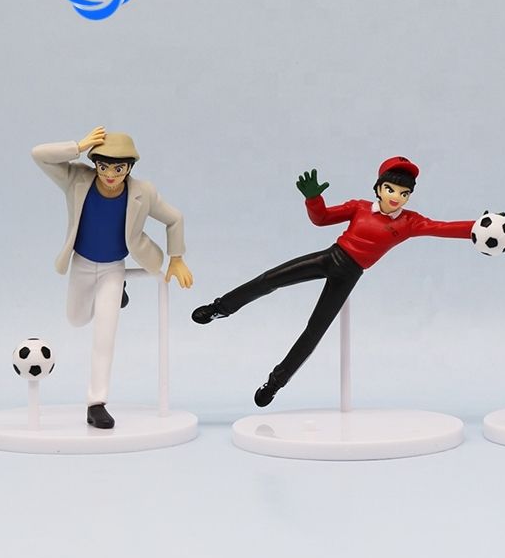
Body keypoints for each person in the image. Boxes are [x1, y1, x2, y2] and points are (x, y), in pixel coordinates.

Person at [193, 156, 474, 407]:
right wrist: (313, 199)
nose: (396, 197)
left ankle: (275, 383)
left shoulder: (409, 222)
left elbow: (443, 228)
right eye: (390, 189)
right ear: (378, 188)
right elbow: (322, 218)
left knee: (315, 330)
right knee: (270, 279)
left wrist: (479, 227)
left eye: (404, 193)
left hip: (350, 274)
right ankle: (220, 308)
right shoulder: (359, 207)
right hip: (329, 257)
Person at [32, 126, 193, 429]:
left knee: (104, 336)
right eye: (103, 166)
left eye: (119, 168)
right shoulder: (77, 179)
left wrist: (177, 257)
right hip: (81, 263)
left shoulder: (143, 192)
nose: (110, 174)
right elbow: (39, 155)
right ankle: (119, 294)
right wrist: (78, 146)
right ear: (95, 164)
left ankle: (97, 403)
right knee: (77, 318)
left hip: (113, 268)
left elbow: (175, 218)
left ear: (130, 167)